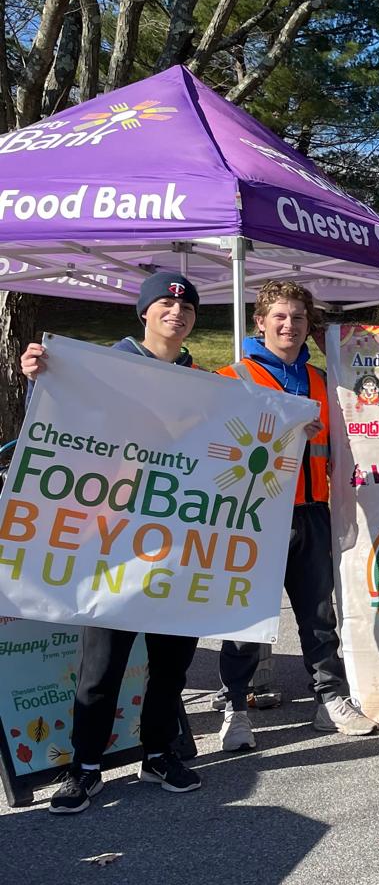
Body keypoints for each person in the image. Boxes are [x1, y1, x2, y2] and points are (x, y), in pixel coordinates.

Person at [25, 272, 206, 812]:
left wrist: (290, 432)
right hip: (113, 541)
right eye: (165, 304)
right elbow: (62, 418)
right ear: (144, 312)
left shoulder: (205, 382)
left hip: (178, 542)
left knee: (171, 663)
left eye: (187, 307)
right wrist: (39, 379)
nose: (177, 313)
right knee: (101, 664)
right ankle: (84, 767)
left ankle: (159, 753)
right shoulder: (104, 366)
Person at [216, 279, 375, 749]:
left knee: (319, 615)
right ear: (260, 323)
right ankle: (235, 706)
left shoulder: (323, 381)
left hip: (311, 512)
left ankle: (329, 698)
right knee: (245, 616)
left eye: (299, 318)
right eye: (280, 317)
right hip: (255, 515)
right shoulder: (232, 378)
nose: (290, 325)